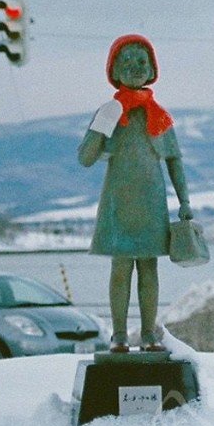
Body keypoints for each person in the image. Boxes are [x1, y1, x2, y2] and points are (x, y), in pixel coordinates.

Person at [78, 34, 192, 353]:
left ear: (152, 68)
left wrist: (184, 201)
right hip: (118, 201)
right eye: (126, 61)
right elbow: (85, 157)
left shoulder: (158, 115)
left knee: (149, 266)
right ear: (113, 68)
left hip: (152, 201)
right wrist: (102, 125)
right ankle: (118, 334)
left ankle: (148, 333)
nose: (134, 67)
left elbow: (174, 159)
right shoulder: (111, 111)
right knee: (121, 266)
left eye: (141, 61)